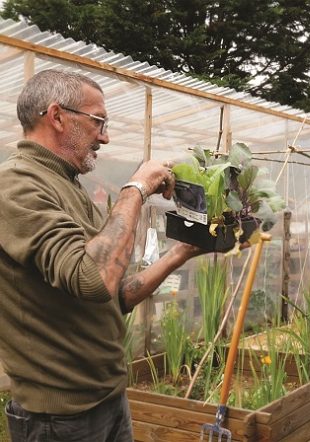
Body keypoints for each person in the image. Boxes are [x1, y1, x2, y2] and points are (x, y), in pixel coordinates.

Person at [0, 69, 207, 441]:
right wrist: (137, 189)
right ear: (57, 116)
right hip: (59, 417)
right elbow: (94, 279)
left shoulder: (69, 186)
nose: (106, 137)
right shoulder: (15, 185)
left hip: (106, 397)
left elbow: (112, 296)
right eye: (98, 122)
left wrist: (179, 254)